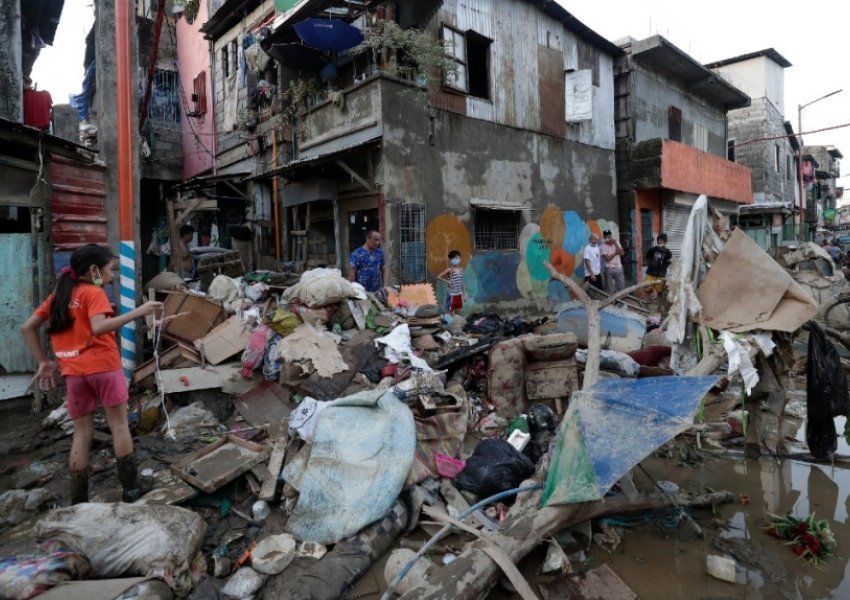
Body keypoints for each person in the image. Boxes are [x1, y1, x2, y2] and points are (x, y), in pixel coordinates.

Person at [20, 244, 163, 504]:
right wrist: (140, 312)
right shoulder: (93, 292)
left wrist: (44, 361)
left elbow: (27, 327)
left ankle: (79, 500)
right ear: (94, 270)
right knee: (119, 425)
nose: (111, 276)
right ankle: (131, 489)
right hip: (103, 368)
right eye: (110, 270)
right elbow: (99, 328)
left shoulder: (59, 295)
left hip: (73, 372)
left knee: (81, 433)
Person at [645, 233, 673, 300]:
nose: (660, 241)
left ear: (665, 242)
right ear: (657, 240)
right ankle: (648, 302)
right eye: (659, 240)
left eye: (662, 240)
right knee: (648, 288)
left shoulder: (668, 253)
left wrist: (663, 267)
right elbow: (647, 258)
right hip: (651, 273)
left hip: (660, 274)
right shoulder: (652, 250)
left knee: (659, 290)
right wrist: (650, 263)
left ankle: (658, 305)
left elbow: (668, 262)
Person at [437, 250, 465, 314]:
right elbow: (438, 277)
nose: (457, 259)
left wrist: (464, 295)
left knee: (459, 313)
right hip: (451, 295)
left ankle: (457, 323)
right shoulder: (449, 270)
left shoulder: (461, 269)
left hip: (459, 294)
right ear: (450, 260)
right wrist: (448, 282)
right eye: (455, 258)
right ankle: (447, 322)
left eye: (458, 258)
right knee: (449, 313)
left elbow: (462, 282)